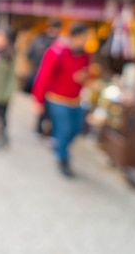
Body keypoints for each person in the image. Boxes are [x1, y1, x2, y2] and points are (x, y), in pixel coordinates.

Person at [32, 23, 91, 178]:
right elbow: (43, 76)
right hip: (57, 99)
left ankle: (59, 146)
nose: (86, 40)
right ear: (76, 36)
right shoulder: (56, 51)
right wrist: (38, 100)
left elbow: (86, 73)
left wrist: (84, 77)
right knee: (64, 129)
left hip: (76, 100)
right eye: (85, 37)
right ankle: (62, 158)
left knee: (77, 128)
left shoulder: (85, 55)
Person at [26, 20, 62, 137]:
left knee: (50, 105)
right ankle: (39, 127)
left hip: (54, 80)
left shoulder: (60, 45)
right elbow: (30, 54)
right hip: (40, 73)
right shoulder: (40, 40)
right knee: (41, 101)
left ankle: (48, 129)